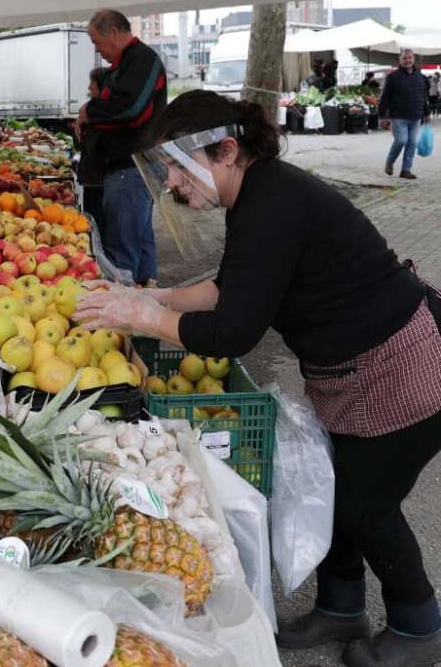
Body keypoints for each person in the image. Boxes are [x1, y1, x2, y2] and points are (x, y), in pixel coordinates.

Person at [75, 90, 441, 667]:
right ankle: (342, 608)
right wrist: (148, 296)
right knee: (340, 486)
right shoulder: (260, 196)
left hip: (399, 364)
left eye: (175, 166)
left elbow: (230, 332)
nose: (170, 183)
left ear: (225, 151)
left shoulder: (275, 202)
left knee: (367, 505)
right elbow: (229, 286)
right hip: (349, 369)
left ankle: (419, 626)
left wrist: (144, 317)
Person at [74, 9, 166, 285]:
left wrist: (90, 113)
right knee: (138, 239)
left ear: (113, 32)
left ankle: (126, 317)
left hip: (132, 167)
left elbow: (131, 108)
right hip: (127, 168)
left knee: (122, 250)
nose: (98, 51)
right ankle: (147, 295)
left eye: (97, 42)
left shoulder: (142, 60)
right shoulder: (124, 65)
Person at [379, 48, 430, 179]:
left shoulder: (421, 77)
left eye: (410, 58)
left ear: (414, 59)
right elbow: (385, 97)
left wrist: (426, 113)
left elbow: (423, 96)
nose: (407, 60)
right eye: (405, 58)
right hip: (398, 116)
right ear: (400, 60)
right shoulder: (392, 77)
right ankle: (390, 162)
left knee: (412, 143)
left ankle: (405, 170)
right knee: (401, 140)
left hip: (416, 116)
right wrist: (382, 116)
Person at [78, 67, 107, 240]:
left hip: (97, 179)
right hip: (94, 178)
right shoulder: (93, 109)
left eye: (92, 83)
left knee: (97, 223)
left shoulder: (99, 112)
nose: (89, 88)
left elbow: (95, 145)